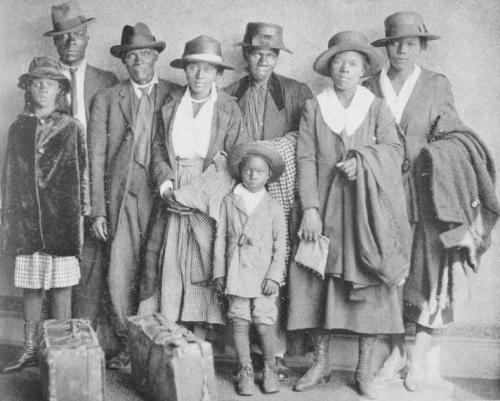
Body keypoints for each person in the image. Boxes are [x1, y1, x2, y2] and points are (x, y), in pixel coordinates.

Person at [364, 11, 497, 391]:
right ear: (386, 47)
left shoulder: (436, 84)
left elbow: (455, 134)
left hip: (425, 191)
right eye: (394, 43)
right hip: (383, 191)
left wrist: (433, 156)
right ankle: (396, 352)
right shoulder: (371, 85)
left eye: (409, 43)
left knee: (427, 269)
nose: (401, 49)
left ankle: (420, 357)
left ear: (421, 46)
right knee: (385, 270)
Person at [287, 31, 412, 398]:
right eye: (339, 63)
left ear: (362, 71)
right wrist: (309, 208)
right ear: (330, 69)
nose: (344, 69)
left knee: (371, 286)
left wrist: (363, 162)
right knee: (315, 281)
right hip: (323, 208)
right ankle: (320, 361)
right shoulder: (315, 106)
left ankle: (363, 370)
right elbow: (305, 157)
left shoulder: (376, 108)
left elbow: (394, 150)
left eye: (352, 64)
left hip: (365, 211)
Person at [137, 36, 245, 337]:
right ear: (185, 69)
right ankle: (170, 335)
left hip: (210, 190)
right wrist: (167, 187)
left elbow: (236, 157)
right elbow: (158, 149)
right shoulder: (171, 103)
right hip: (173, 190)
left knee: (203, 261)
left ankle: (199, 342)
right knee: (169, 261)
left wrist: (198, 195)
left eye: (208, 69)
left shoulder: (228, 108)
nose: (199, 75)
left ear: (218, 75)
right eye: (193, 67)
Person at [89, 22, 181, 369]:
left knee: (159, 267)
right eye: (131, 56)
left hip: (163, 194)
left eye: (144, 54)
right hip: (122, 194)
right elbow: (96, 157)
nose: (138, 61)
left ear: (156, 56)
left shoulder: (175, 93)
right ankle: (127, 344)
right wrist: (98, 209)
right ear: (123, 62)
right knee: (120, 269)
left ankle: (155, 345)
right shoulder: (108, 98)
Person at [225, 21, 313, 380]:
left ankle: (275, 355)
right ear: (246, 54)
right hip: (242, 195)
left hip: (280, 199)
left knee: (277, 274)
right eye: (257, 52)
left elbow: (306, 146)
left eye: (271, 53)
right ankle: (250, 359)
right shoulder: (230, 93)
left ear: (278, 57)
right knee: (243, 270)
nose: (263, 59)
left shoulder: (296, 92)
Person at [1, 56, 88, 373]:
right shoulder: (18, 128)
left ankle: (60, 349)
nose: (42, 88)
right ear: (28, 88)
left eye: (49, 84)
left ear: (59, 90)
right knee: (31, 284)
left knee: (62, 285)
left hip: (61, 220)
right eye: (36, 82)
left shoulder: (71, 127)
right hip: (26, 220)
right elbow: (9, 176)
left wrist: (84, 212)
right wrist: (8, 217)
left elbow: (84, 174)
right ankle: (29, 347)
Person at [43, 0, 118, 328]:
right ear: (55, 42)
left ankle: (84, 336)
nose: (70, 42)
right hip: (56, 186)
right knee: (56, 261)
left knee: (91, 260)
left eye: (77, 35)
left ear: (87, 36)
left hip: (95, 181)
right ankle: (56, 337)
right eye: (63, 37)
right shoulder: (42, 81)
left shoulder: (107, 79)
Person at [213, 141, 287, 396]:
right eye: (248, 170)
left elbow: (281, 248)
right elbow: (220, 239)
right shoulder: (229, 201)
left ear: (268, 176)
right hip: (236, 273)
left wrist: (274, 276)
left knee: (264, 321)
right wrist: (220, 272)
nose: (253, 176)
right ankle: (244, 368)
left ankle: (269, 368)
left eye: (259, 172)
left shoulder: (274, 207)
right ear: (241, 171)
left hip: (264, 275)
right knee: (239, 318)